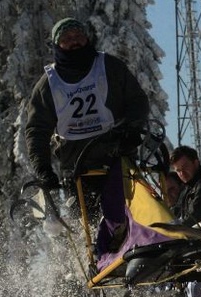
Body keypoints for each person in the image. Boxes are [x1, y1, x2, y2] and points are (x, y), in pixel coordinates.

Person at [25, 18, 149, 193]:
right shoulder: (48, 85)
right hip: (77, 168)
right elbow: (37, 129)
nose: (74, 41)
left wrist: (132, 128)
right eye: (66, 38)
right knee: (86, 219)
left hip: (118, 159)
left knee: (128, 215)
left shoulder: (109, 67)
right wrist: (43, 169)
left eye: (78, 36)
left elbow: (137, 100)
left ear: (86, 38)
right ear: (57, 44)